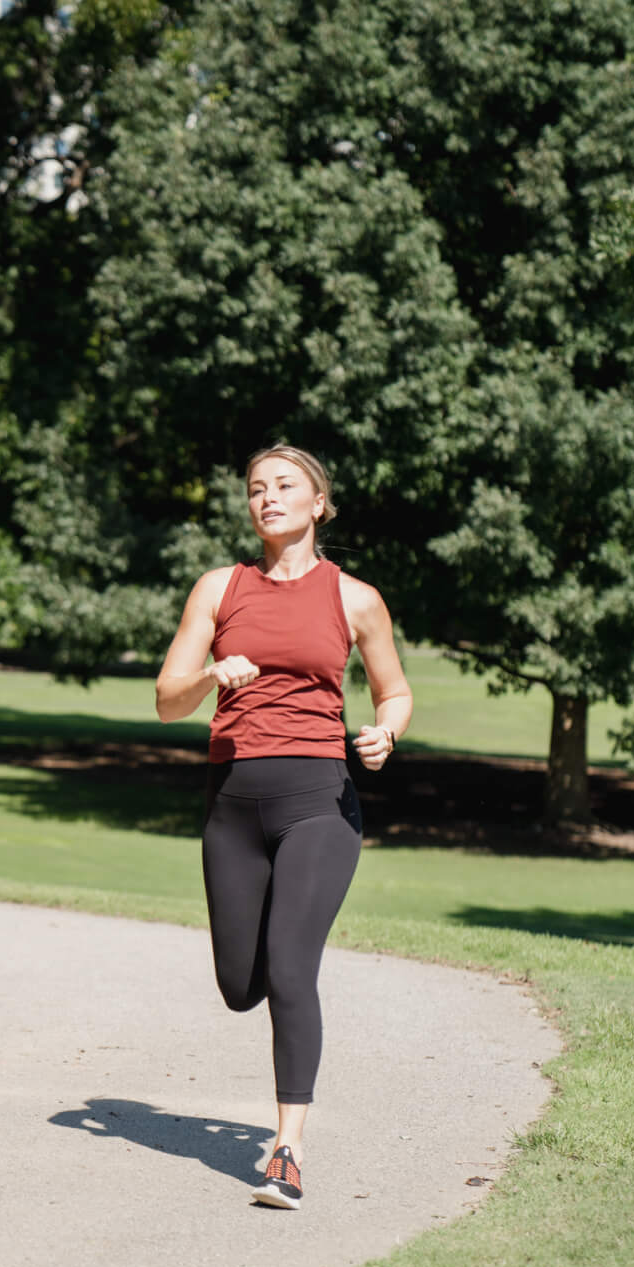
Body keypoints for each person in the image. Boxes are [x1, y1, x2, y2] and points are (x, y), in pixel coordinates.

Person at [155, 445, 412, 1210]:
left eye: (284, 486)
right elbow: (168, 699)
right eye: (256, 489)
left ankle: (287, 1150)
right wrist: (211, 675)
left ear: (318, 502)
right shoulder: (218, 588)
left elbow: (394, 692)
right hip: (232, 803)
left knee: (292, 971)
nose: (267, 498)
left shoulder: (356, 598)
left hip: (318, 802)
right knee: (242, 987)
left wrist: (384, 733)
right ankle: (272, 965)